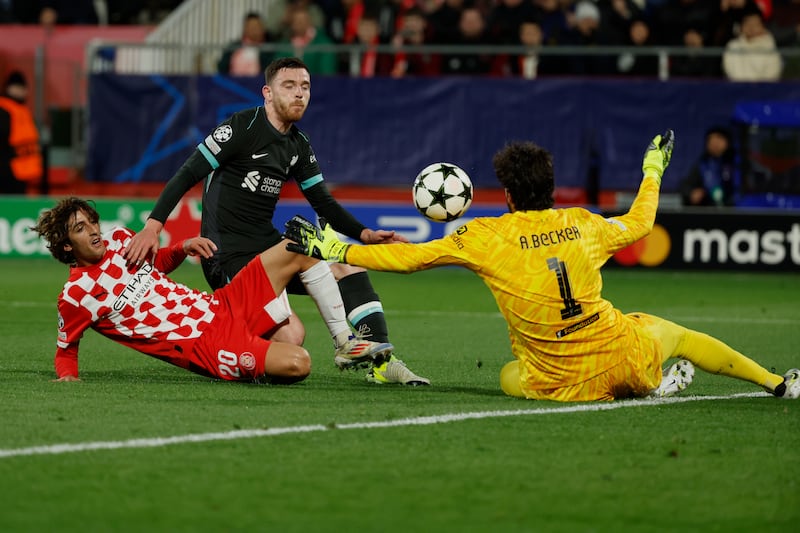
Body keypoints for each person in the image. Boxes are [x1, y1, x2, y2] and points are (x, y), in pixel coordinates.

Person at [284, 131, 800, 402]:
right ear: (551, 187)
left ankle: (633, 390)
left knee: (511, 375)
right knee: (673, 334)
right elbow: (642, 222)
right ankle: (777, 382)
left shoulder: (482, 235)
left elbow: (408, 258)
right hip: (622, 352)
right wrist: (652, 168)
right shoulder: (584, 223)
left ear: (505, 194)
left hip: (557, 381)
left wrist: (335, 248)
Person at [124, 57, 429, 386]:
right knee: (293, 331)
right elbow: (187, 173)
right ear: (267, 93)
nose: (299, 94)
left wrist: (365, 233)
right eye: (290, 86)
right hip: (227, 258)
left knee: (346, 266)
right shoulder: (241, 128)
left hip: (266, 250)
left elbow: (322, 201)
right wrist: (153, 226)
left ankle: (383, 364)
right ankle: (241, 343)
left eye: (305, 87)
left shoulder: (298, 144)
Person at [32, 197, 396, 383]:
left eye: (92, 221)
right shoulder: (76, 295)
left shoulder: (120, 241)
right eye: (80, 228)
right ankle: (251, 355)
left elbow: (155, 266)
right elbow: (67, 351)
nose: (94, 230)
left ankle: (344, 341)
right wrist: (68, 380)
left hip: (221, 305)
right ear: (66, 246)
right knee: (298, 362)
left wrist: (182, 248)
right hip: (208, 345)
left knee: (300, 244)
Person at [0, 71, 43, 195]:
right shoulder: (4, 110)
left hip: (21, 172)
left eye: (22, 88)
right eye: (16, 87)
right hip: (7, 172)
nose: (20, 91)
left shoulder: (22, 110)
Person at [679, 126, 739, 206]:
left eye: (719, 138)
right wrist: (691, 193)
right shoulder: (703, 164)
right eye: (710, 139)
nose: (714, 142)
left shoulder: (737, 162)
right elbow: (686, 185)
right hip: (709, 211)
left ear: (727, 141)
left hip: (735, 210)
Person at [722, 7, 783, 81]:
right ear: (742, 26)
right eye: (747, 23)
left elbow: (772, 74)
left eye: (755, 24)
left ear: (762, 26)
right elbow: (731, 71)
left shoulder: (771, 47)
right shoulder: (732, 46)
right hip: (738, 89)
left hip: (764, 90)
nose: (751, 27)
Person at [217, 11, 274, 76]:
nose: (254, 30)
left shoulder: (269, 49)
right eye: (251, 27)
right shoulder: (234, 47)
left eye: (257, 26)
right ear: (245, 28)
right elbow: (222, 68)